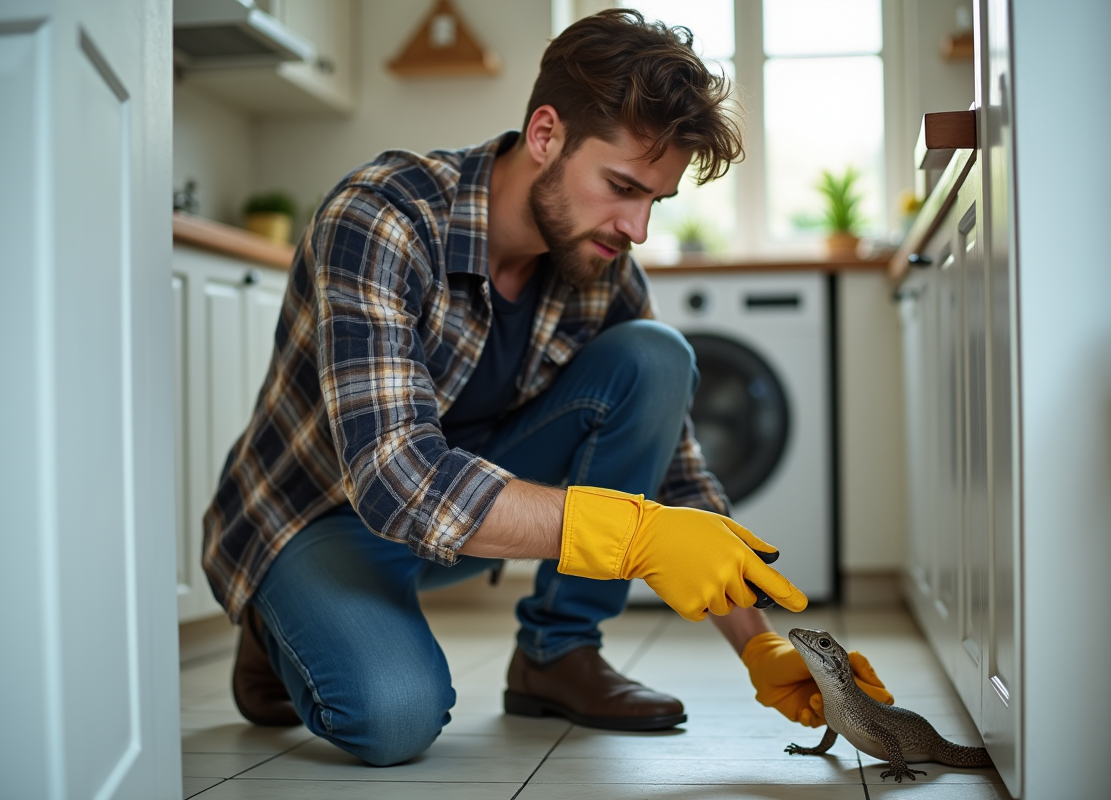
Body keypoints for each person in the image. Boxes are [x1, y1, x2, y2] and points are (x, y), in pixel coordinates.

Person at [201, 8, 892, 767]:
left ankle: (556, 654)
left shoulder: (601, 270)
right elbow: (396, 480)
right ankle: (276, 626)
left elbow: (676, 477)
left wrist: (761, 647)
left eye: (654, 201)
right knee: (393, 719)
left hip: (460, 520)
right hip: (319, 515)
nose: (636, 228)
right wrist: (635, 538)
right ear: (544, 135)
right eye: (622, 186)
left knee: (655, 357)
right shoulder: (382, 217)